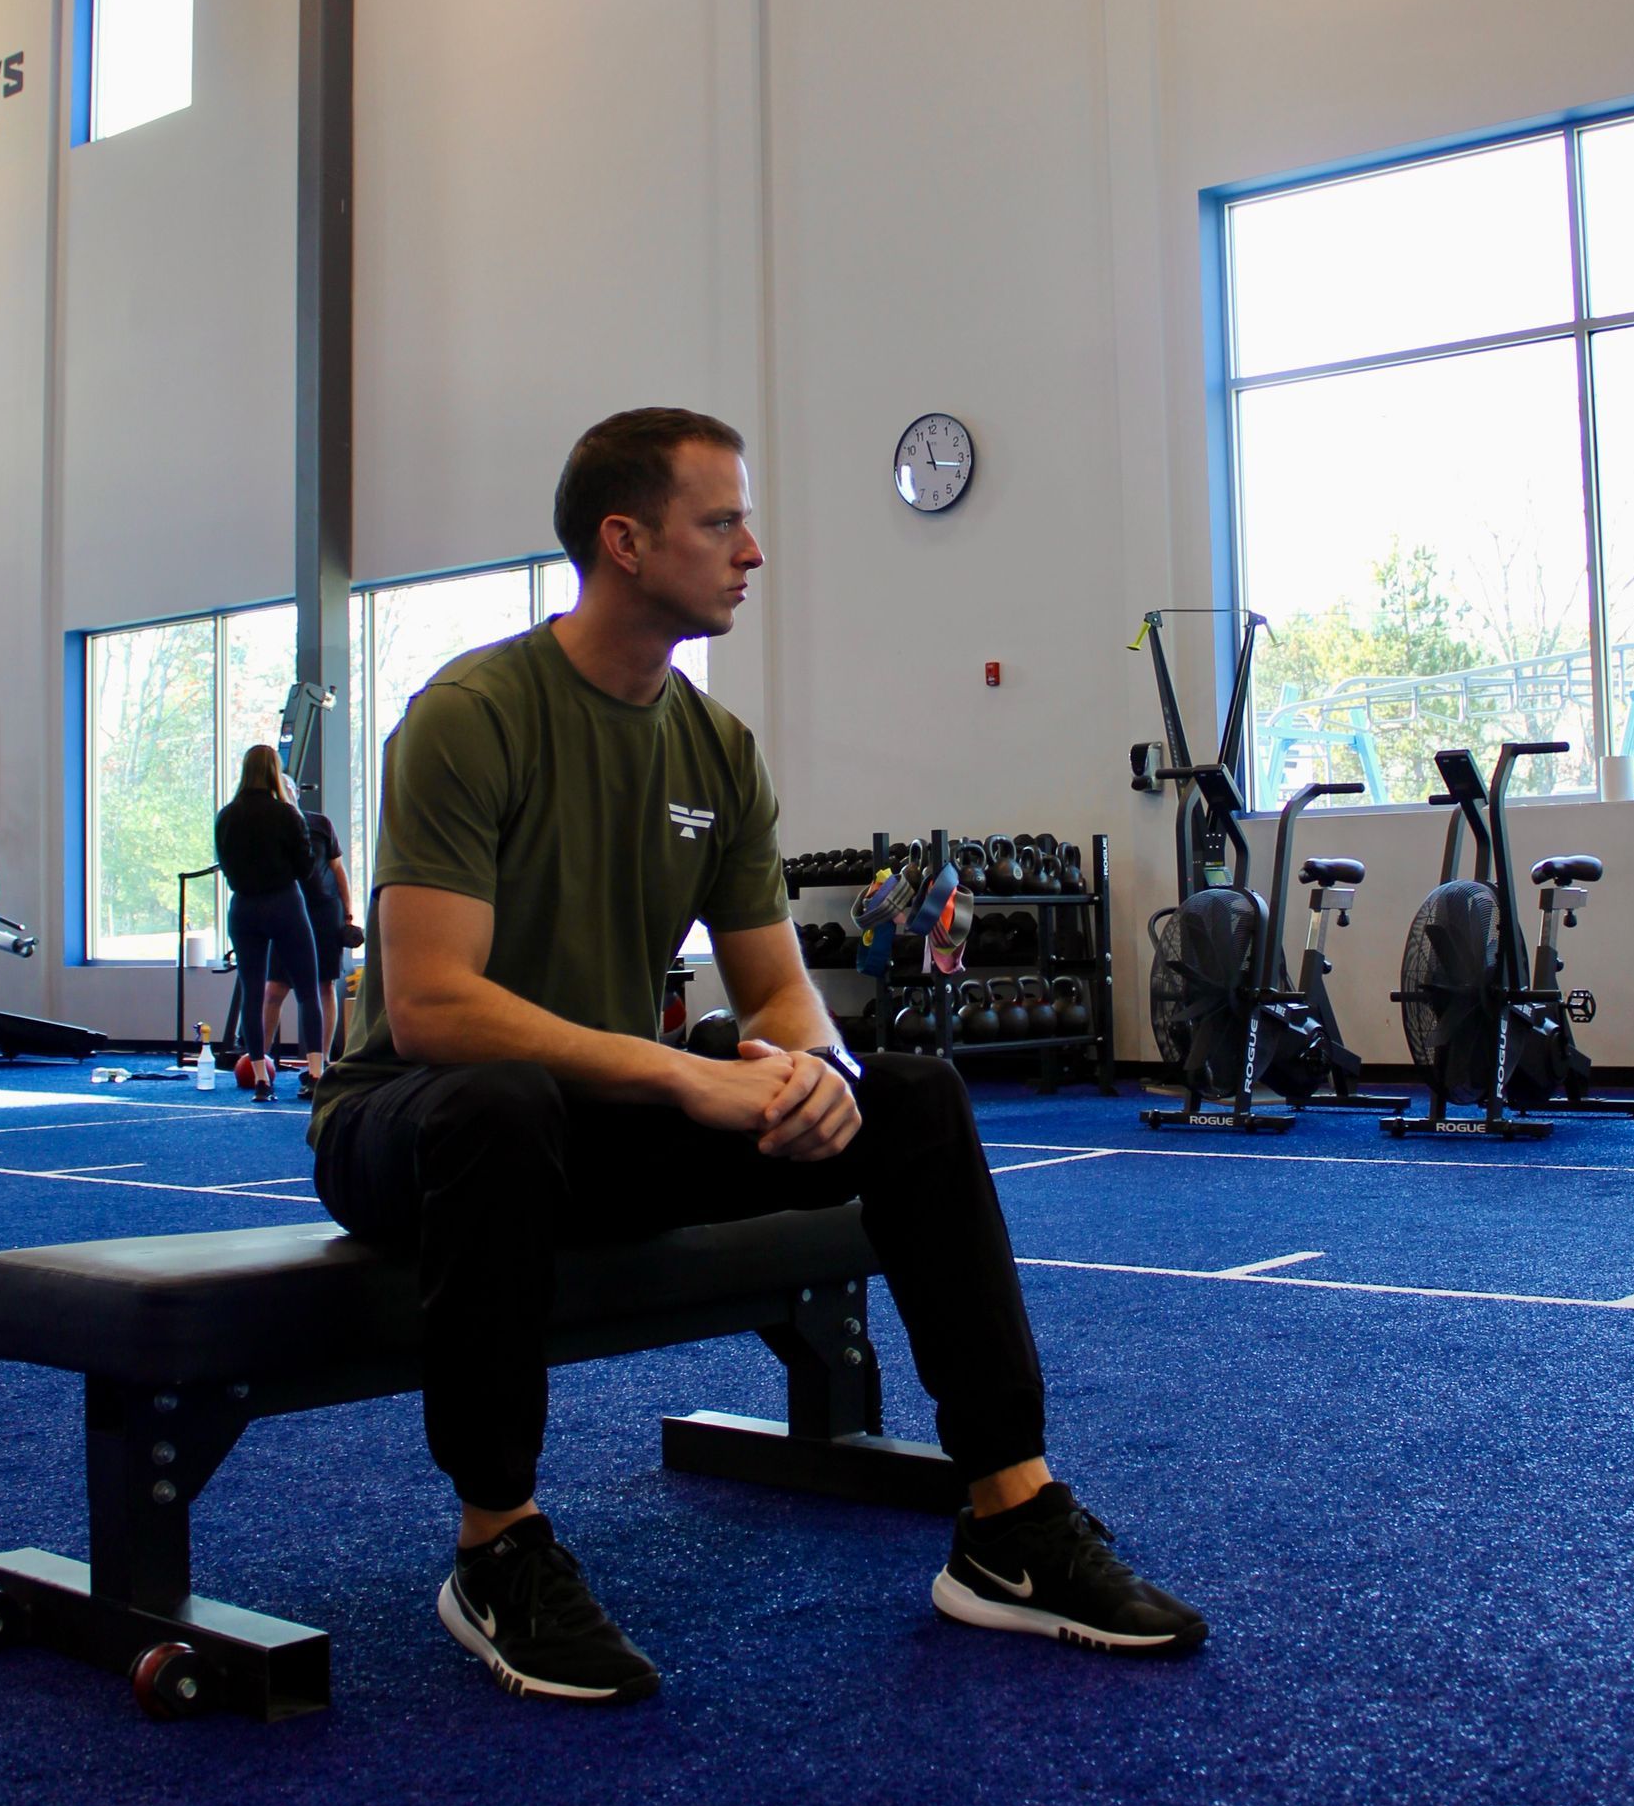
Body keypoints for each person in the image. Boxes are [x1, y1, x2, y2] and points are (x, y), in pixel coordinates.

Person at [309, 408, 1207, 1704]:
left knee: (907, 1094)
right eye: (721, 522)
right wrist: (691, 1074)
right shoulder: (472, 712)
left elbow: (780, 990)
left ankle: (1010, 1516)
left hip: (594, 1123)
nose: (753, 552)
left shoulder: (715, 748)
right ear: (625, 542)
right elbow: (436, 1005)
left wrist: (814, 1084)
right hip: (412, 1125)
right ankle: (494, 1543)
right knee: (497, 1105)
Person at [214, 745, 325, 1103]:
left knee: (252, 991)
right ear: (275, 771)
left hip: (243, 906)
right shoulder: (286, 814)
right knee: (308, 989)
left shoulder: (226, 816)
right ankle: (315, 1073)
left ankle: (261, 1077)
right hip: (283, 902)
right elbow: (306, 867)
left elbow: (225, 864)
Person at [264, 774, 362, 1079]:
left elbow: (337, 869)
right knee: (274, 989)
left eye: (287, 789)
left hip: (323, 913)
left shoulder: (320, 824)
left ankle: (320, 1063)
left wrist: (347, 912)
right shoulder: (266, 830)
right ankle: (259, 1061)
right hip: (284, 913)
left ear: (294, 793)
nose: (284, 795)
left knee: (324, 985)